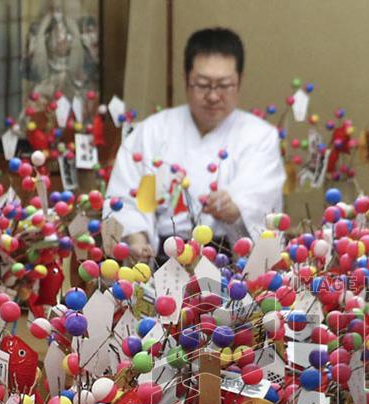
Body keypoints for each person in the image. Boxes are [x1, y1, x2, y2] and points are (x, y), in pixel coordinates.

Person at [106, 27, 285, 261]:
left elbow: (259, 198)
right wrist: (137, 241)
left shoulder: (260, 136)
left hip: (227, 260)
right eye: (202, 84)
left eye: (223, 85)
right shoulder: (153, 131)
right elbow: (127, 197)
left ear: (240, 81)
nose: (212, 96)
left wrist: (235, 208)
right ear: (186, 79)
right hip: (162, 259)